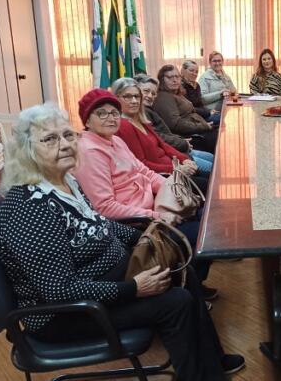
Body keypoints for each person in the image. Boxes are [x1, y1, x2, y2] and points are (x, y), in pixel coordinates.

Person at [0, 104, 244, 380]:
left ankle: (212, 363)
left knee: (185, 272)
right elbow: (59, 290)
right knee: (176, 303)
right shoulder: (29, 210)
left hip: (103, 281)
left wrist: (147, 236)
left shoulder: (65, 182)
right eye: (50, 139)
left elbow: (101, 225)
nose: (64, 145)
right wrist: (131, 289)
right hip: (65, 315)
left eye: (68, 135)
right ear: (26, 151)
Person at [71, 89, 215, 290]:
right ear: (87, 121)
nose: (111, 118)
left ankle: (191, 283)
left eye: (114, 112)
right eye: (101, 113)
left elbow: (144, 171)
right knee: (204, 234)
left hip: (154, 205)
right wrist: (156, 215)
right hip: (136, 224)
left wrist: (171, 191)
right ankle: (187, 287)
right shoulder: (89, 152)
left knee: (206, 216)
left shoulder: (116, 140)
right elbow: (104, 208)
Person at [112, 77, 199, 175]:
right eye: (127, 96)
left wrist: (184, 159)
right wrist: (176, 169)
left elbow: (163, 145)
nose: (134, 101)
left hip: (175, 165)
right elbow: (141, 164)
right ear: (116, 98)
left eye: (137, 96)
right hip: (164, 176)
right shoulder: (123, 125)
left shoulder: (142, 119)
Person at [135, 74, 214, 175]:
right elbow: (163, 135)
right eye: (146, 91)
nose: (150, 96)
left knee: (212, 158)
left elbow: (162, 135)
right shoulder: (141, 113)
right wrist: (182, 143)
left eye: (153, 93)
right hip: (171, 156)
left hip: (176, 148)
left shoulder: (148, 109)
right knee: (212, 168)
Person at [154, 64, 218, 154]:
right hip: (189, 137)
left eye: (177, 76)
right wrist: (203, 126)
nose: (174, 80)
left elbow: (192, 111)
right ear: (162, 79)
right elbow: (175, 124)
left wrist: (204, 124)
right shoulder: (164, 97)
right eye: (170, 77)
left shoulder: (176, 93)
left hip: (197, 129)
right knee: (218, 141)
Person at [181, 60, 220, 125]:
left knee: (219, 115)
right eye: (191, 70)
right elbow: (189, 109)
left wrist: (209, 110)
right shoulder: (181, 86)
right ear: (183, 70)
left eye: (196, 72)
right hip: (191, 118)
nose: (194, 74)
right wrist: (208, 112)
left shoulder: (196, 85)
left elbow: (200, 104)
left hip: (199, 115)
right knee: (218, 118)